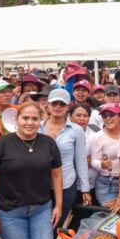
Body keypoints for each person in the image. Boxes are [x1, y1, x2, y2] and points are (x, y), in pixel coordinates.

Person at [0, 102, 63, 239]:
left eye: (35, 118)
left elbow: (56, 176)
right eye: (25, 118)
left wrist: (58, 206)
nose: (30, 122)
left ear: (40, 120)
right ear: (16, 119)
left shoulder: (48, 143)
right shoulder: (1, 145)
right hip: (9, 212)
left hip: (41, 209)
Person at [40, 90, 91, 221]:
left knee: (59, 222)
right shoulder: (37, 127)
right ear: (48, 105)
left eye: (62, 104)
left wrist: (85, 189)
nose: (57, 107)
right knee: (42, 223)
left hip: (66, 184)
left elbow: (80, 160)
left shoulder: (76, 130)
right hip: (40, 184)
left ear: (67, 107)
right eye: (54, 103)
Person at [90, 103, 120, 208]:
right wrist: (101, 164)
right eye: (104, 116)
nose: (108, 118)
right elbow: (94, 160)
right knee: (112, 219)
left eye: (111, 115)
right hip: (108, 185)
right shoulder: (97, 137)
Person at [68, 103, 100, 190]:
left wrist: (93, 161)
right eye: (78, 115)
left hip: (95, 184)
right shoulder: (64, 133)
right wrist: (82, 162)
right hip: (71, 185)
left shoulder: (96, 129)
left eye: (85, 115)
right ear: (70, 116)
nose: (82, 118)